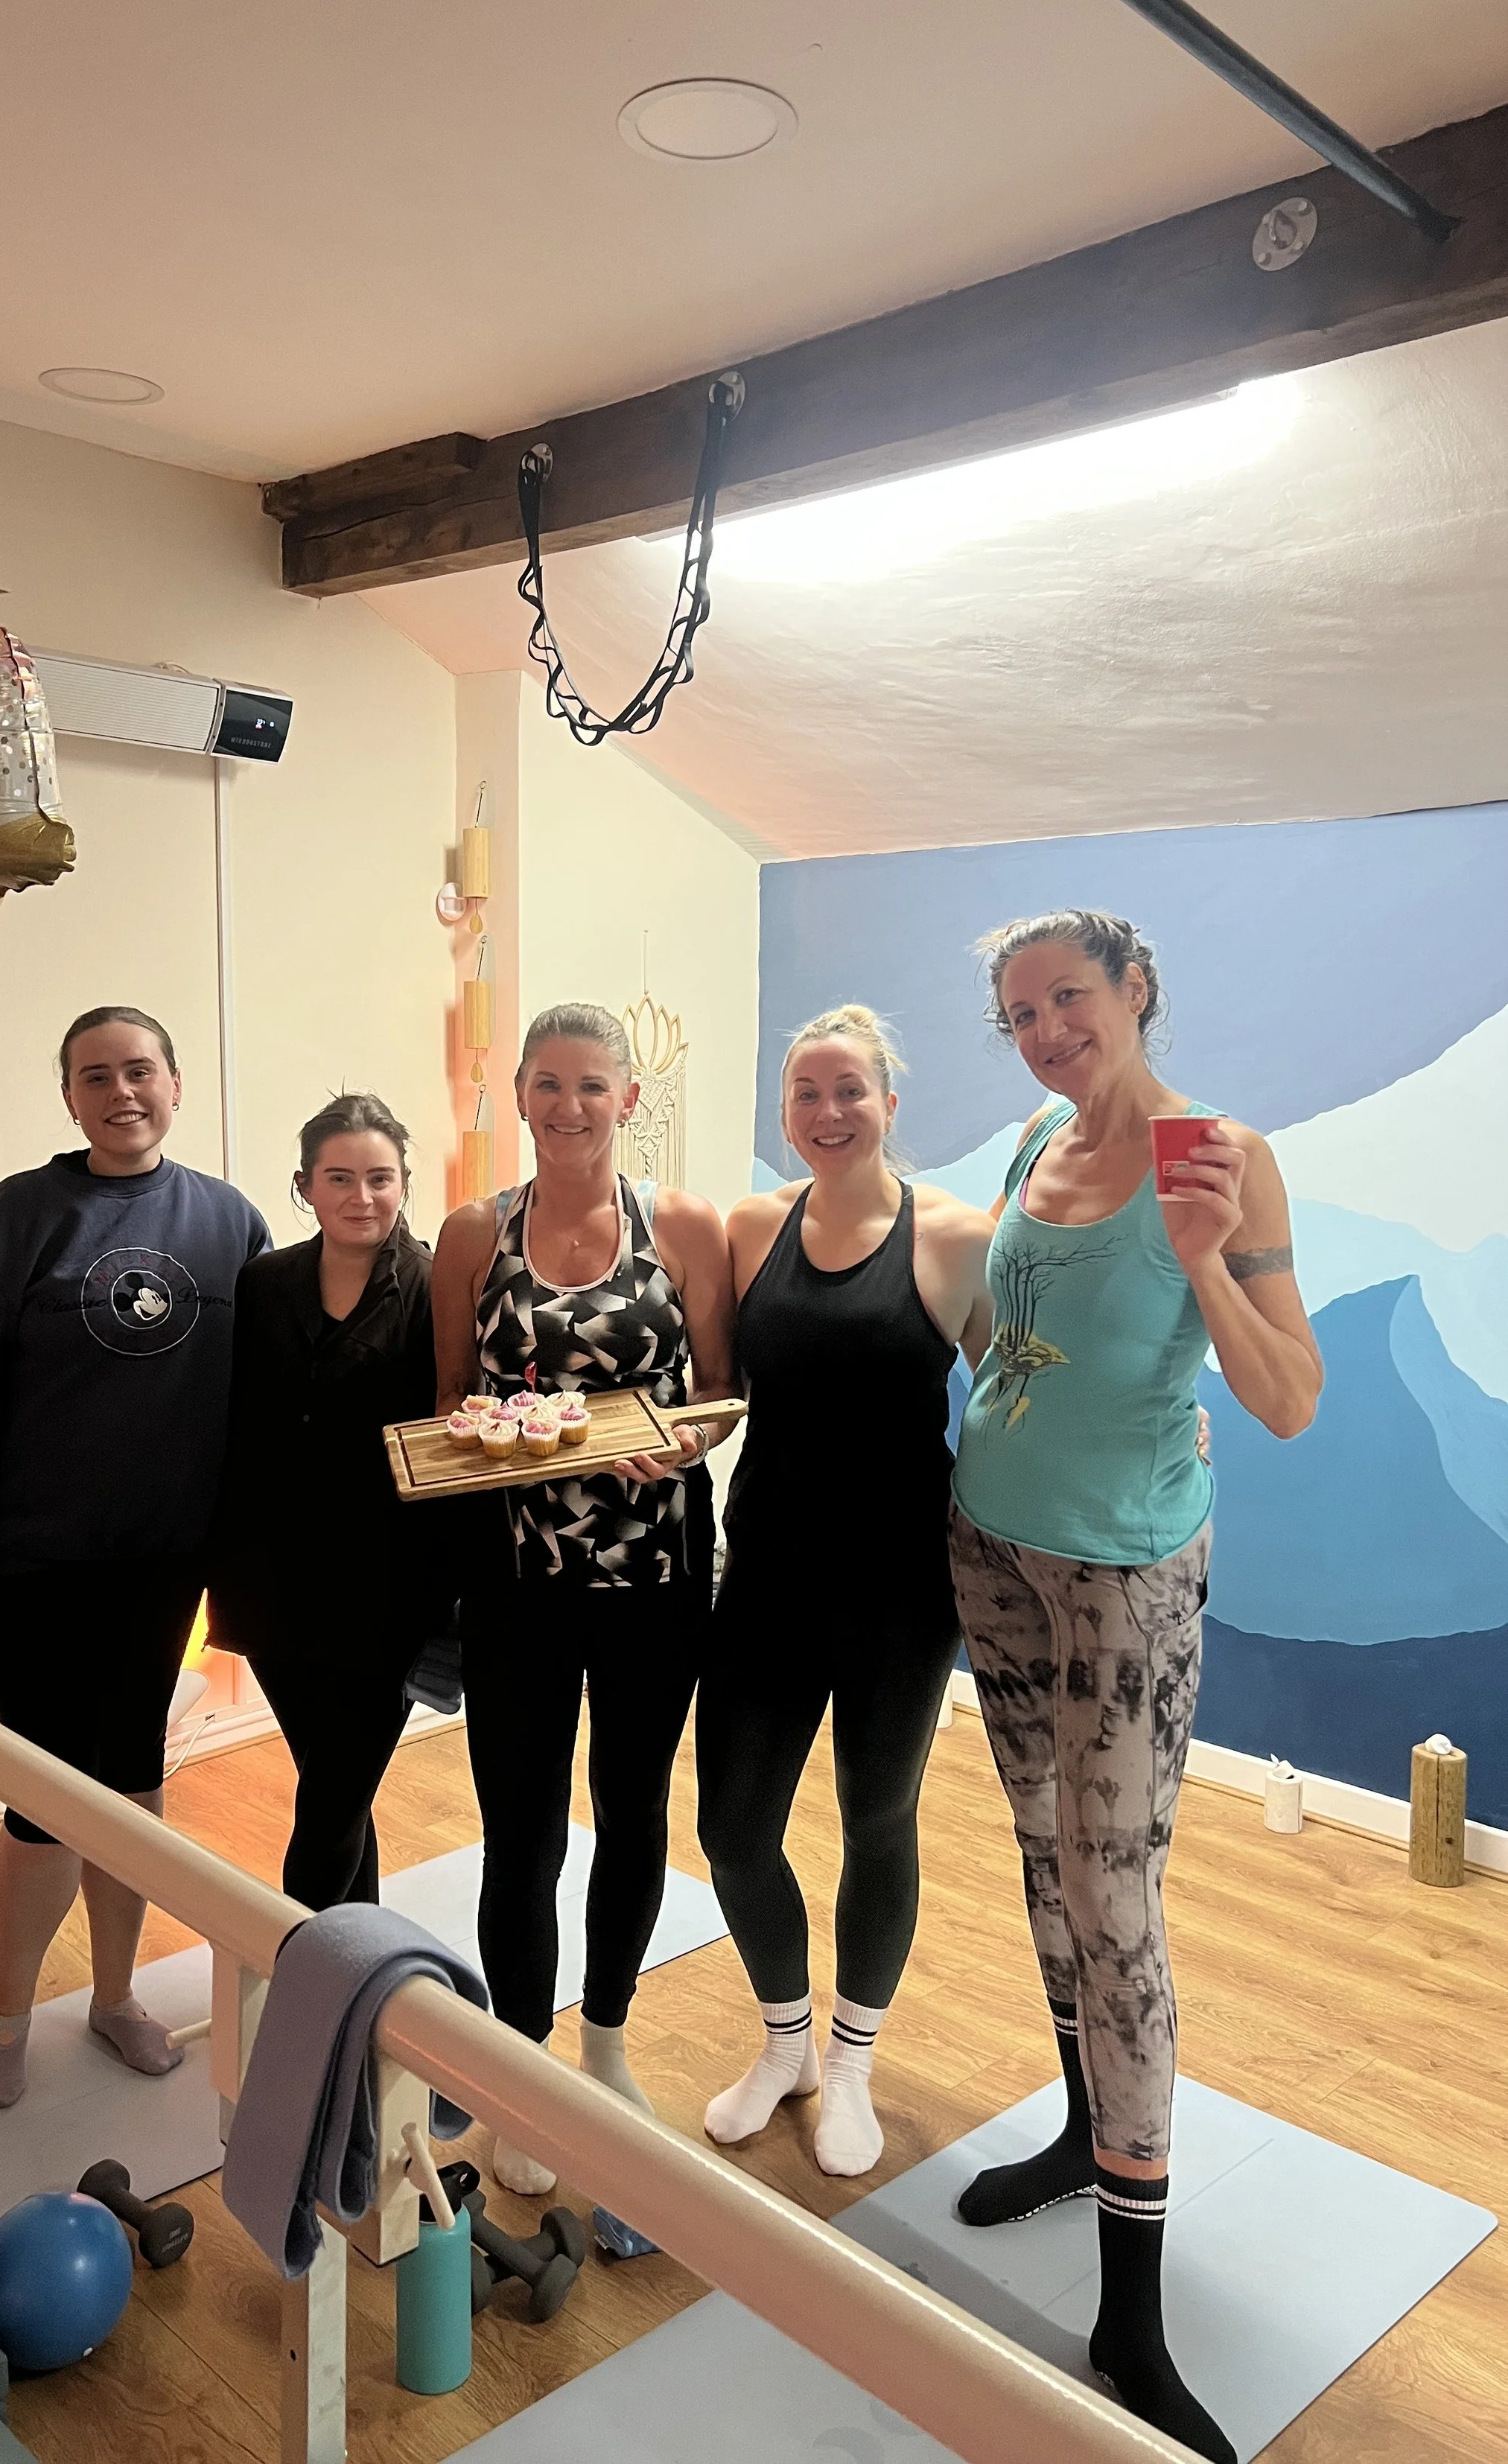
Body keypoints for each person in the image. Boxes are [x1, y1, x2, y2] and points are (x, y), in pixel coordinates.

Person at [948, 911, 1320, 2464]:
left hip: (1120, 1580)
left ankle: (1131, 2310)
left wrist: (1194, 1267)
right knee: (1042, 1866)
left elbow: (1285, 1397)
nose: (1043, 1031)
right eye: (1018, 1012)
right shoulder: (1036, 1131)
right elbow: (999, 1319)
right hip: (990, 1546)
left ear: (1136, 988)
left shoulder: (1218, 1155)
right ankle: (1074, 2133)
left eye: (1068, 999)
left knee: (1117, 1908)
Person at [0, 1005, 268, 2108]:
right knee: (44, 1803)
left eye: (141, 1070)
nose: (122, 1092)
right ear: (68, 1096)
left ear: (176, 1083)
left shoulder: (228, 1222)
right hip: (36, 1573)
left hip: (161, 1570)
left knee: (135, 1787)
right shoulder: (14, 1218)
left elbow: (267, 1404)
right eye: (96, 1075)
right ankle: (11, 2017)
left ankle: (114, 1996)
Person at [433, 1002, 736, 2194]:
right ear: (519, 1096)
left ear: (628, 1100)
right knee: (520, 1830)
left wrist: (680, 1443)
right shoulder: (472, 1232)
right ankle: (522, 2062)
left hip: (657, 1573)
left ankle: (605, 2044)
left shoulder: (687, 1226)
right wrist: (498, 1435)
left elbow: (724, 1389)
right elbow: (448, 1399)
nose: (570, 1107)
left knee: (632, 1810)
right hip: (518, 1584)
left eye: (592, 1086)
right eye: (548, 1085)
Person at [696, 1006, 992, 2177]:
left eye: (849, 1091)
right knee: (732, 1830)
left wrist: (1169, 1429)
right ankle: (786, 2045)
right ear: (784, 1112)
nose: (827, 1113)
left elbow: (1020, 1388)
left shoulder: (955, 1234)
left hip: (900, 1591)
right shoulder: (750, 1226)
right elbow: (718, 1387)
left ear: (889, 1104)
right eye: (806, 1094)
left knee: (877, 1819)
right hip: (765, 1572)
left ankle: (854, 2059)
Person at [208, 1091, 449, 1909]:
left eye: (380, 1178)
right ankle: (364, 1958)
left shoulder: (438, 1288)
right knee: (332, 1785)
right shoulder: (262, 1283)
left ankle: (298, 1977)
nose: (362, 1197)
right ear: (305, 1186)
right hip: (271, 1583)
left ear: (404, 1183)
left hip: (389, 1592)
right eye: (339, 1177)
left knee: (333, 1798)